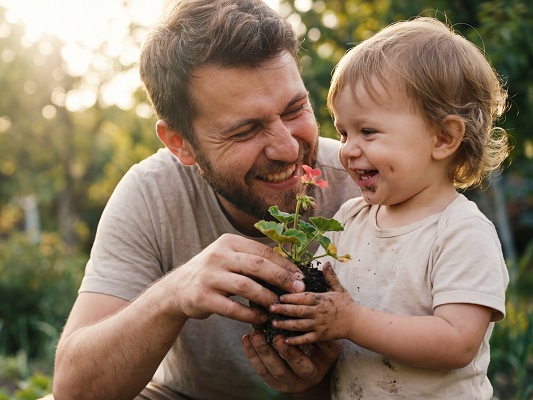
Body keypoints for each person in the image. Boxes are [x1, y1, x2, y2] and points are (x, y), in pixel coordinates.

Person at [51, 0, 359, 399]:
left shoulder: (366, 181)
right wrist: (173, 293)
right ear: (180, 143)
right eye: (245, 130)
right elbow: (74, 390)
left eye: (295, 108)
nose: (286, 149)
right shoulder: (152, 193)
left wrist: (319, 384)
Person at [268, 17, 510, 399]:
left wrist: (351, 321)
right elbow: (319, 296)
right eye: (343, 131)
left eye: (368, 131)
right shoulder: (348, 219)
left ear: (443, 138)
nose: (347, 148)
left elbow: (457, 342)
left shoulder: (460, 231)